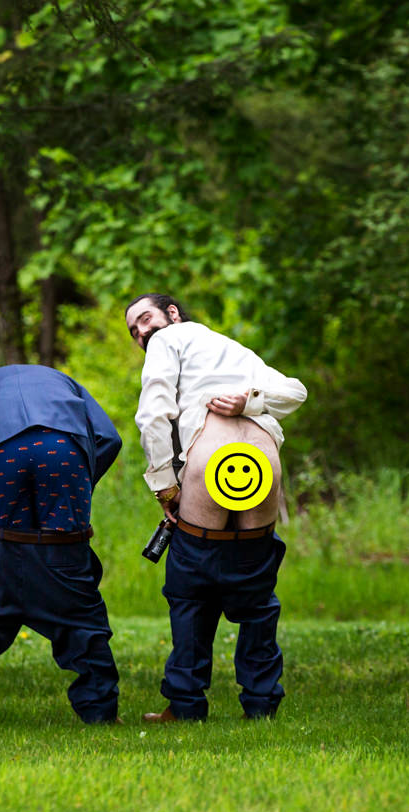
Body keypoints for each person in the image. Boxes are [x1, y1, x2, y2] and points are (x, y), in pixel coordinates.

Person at [126, 293, 307, 723]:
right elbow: (296, 392)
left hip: (208, 459)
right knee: (257, 597)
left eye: (145, 319)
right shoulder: (235, 351)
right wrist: (251, 403)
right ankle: (261, 705)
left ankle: (186, 706)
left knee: (191, 591)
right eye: (134, 330)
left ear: (172, 314)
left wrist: (163, 486)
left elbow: (152, 414)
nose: (142, 332)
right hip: (263, 466)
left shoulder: (167, 342)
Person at [0, 364, 123, 726]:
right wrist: (76, 484)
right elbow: (109, 438)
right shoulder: (68, 382)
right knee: (71, 573)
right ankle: (100, 710)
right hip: (65, 450)